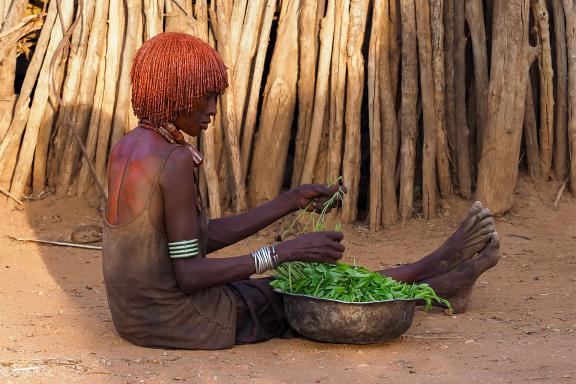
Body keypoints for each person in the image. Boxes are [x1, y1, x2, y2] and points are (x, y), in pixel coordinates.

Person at [103, 32, 500, 351]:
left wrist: (289, 202)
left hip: (140, 316)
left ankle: (434, 280)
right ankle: (434, 275)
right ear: (176, 93)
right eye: (205, 96)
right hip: (180, 322)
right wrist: (282, 253)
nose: (211, 109)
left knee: (279, 285)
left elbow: (193, 240)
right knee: (303, 291)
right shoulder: (173, 162)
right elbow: (190, 273)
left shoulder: (129, 147)